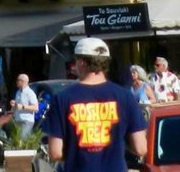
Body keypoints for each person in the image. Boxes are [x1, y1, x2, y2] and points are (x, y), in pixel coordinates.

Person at [43, 37, 146, 172]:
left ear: (81, 62)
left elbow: (55, 153)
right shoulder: (126, 97)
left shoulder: (62, 99)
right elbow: (141, 148)